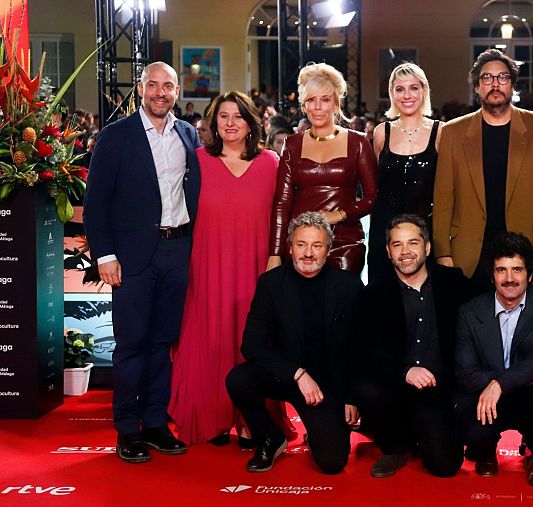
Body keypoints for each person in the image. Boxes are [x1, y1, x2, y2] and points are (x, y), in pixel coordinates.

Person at [84, 62, 201, 463]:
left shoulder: (187, 134)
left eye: (168, 86)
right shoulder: (115, 138)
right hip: (131, 258)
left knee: (162, 342)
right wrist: (105, 255)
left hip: (176, 252)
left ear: (177, 90)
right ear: (140, 88)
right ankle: (127, 428)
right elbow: (95, 203)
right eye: (153, 85)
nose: (160, 92)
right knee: (131, 344)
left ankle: (154, 423)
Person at [168, 91, 297, 447]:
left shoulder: (271, 162)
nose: (229, 123)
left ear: (251, 122)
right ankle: (214, 418)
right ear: (213, 123)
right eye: (222, 116)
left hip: (257, 267)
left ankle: (250, 421)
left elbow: (283, 216)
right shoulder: (197, 161)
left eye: (237, 116)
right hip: (206, 268)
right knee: (209, 340)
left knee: (251, 340)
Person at [226, 212, 363, 474]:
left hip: (325, 385)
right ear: (290, 248)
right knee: (239, 379)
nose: (308, 253)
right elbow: (251, 345)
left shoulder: (349, 286)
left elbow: (358, 348)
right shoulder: (271, 284)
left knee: (333, 463)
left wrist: (351, 397)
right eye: (301, 245)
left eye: (316, 245)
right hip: (285, 374)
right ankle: (270, 437)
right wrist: (297, 373)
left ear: (328, 249)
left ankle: (317, 434)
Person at [433, 49, 533, 289]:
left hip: (527, 252)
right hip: (469, 254)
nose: (495, 84)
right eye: (487, 78)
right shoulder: (453, 132)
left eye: (503, 77)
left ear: (512, 85)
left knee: (527, 325)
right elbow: (443, 198)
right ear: (476, 86)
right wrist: (443, 252)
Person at [357, 214, 469, 478]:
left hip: (437, 387)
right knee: (366, 390)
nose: (405, 252)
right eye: (397, 245)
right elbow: (365, 350)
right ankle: (394, 447)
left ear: (427, 247)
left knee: (445, 467)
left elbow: (493, 307)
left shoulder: (453, 283)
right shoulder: (373, 293)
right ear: (387, 251)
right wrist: (404, 371)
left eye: (413, 243)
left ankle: (421, 433)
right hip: (394, 384)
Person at [455, 232, 533, 489]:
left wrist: (501, 383)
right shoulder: (470, 311)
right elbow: (466, 372)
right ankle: (485, 449)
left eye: (517, 269)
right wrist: (512, 380)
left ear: (529, 273)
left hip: (525, 396)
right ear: (492, 275)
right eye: (501, 270)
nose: (509, 278)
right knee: (471, 427)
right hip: (488, 395)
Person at [268, 63, 377, 274]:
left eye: (325, 99)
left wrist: (339, 215)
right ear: (304, 106)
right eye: (311, 100)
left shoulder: (358, 142)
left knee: (342, 305)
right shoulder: (292, 144)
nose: (318, 106)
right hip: (301, 243)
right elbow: (282, 203)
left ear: (336, 104)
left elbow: (373, 198)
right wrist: (274, 254)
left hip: (344, 242)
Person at [367, 63, 442, 286]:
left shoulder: (442, 132)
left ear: (424, 90)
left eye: (413, 88)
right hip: (384, 233)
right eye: (400, 89)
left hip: (426, 235)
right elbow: (375, 189)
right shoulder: (381, 132)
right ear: (392, 93)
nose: (407, 95)